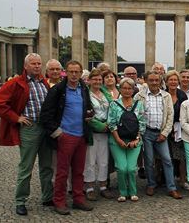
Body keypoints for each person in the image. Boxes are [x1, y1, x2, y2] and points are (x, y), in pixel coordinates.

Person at [0, 53, 53, 216]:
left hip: (45, 128)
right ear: (25, 66)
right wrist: (15, 117)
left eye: (39, 63)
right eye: (33, 63)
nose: (37, 66)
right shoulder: (16, 82)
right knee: (26, 167)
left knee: (47, 165)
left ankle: (47, 197)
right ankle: (20, 201)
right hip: (30, 128)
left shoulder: (43, 82)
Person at [40, 60, 94, 215]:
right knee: (62, 172)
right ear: (66, 72)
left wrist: (89, 114)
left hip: (81, 135)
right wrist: (58, 133)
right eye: (71, 71)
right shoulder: (57, 90)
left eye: (77, 72)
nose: (74, 75)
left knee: (78, 171)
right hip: (66, 135)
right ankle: (59, 201)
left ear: (81, 72)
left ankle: (78, 199)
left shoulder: (83, 88)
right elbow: (46, 115)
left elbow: (88, 106)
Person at [134, 71, 182, 200]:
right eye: (151, 80)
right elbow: (135, 115)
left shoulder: (166, 96)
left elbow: (170, 117)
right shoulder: (139, 96)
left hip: (161, 133)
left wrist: (165, 133)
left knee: (167, 160)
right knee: (149, 161)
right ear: (146, 81)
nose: (154, 83)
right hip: (147, 132)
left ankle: (172, 188)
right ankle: (151, 184)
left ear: (161, 81)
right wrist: (141, 132)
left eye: (157, 80)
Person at [107, 78, 146, 202]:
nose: (127, 90)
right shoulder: (114, 104)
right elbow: (111, 123)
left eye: (130, 88)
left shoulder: (139, 104)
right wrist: (118, 140)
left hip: (135, 141)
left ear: (133, 90)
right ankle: (123, 192)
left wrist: (137, 139)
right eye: (124, 88)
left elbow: (142, 123)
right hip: (117, 140)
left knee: (131, 168)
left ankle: (133, 191)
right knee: (122, 167)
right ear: (120, 89)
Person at [84, 69, 114, 201]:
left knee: (104, 160)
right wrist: (99, 125)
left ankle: (103, 186)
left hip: (106, 131)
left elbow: (112, 109)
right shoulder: (86, 94)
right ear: (89, 80)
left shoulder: (105, 93)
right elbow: (86, 112)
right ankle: (89, 187)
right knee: (90, 160)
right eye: (94, 79)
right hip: (92, 131)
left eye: (99, 80)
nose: (97, 82)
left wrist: (108, 124)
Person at [165, 70, 189, 190]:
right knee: (164, 156)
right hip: (165, 128)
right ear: (166, 82)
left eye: (175, 80)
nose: (173, 82)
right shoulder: (163, 94)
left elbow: (186, 112)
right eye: (171, 80)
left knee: (181, 156)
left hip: (179, 128)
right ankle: (162, 178)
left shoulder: (182, 95)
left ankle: (183, 180)